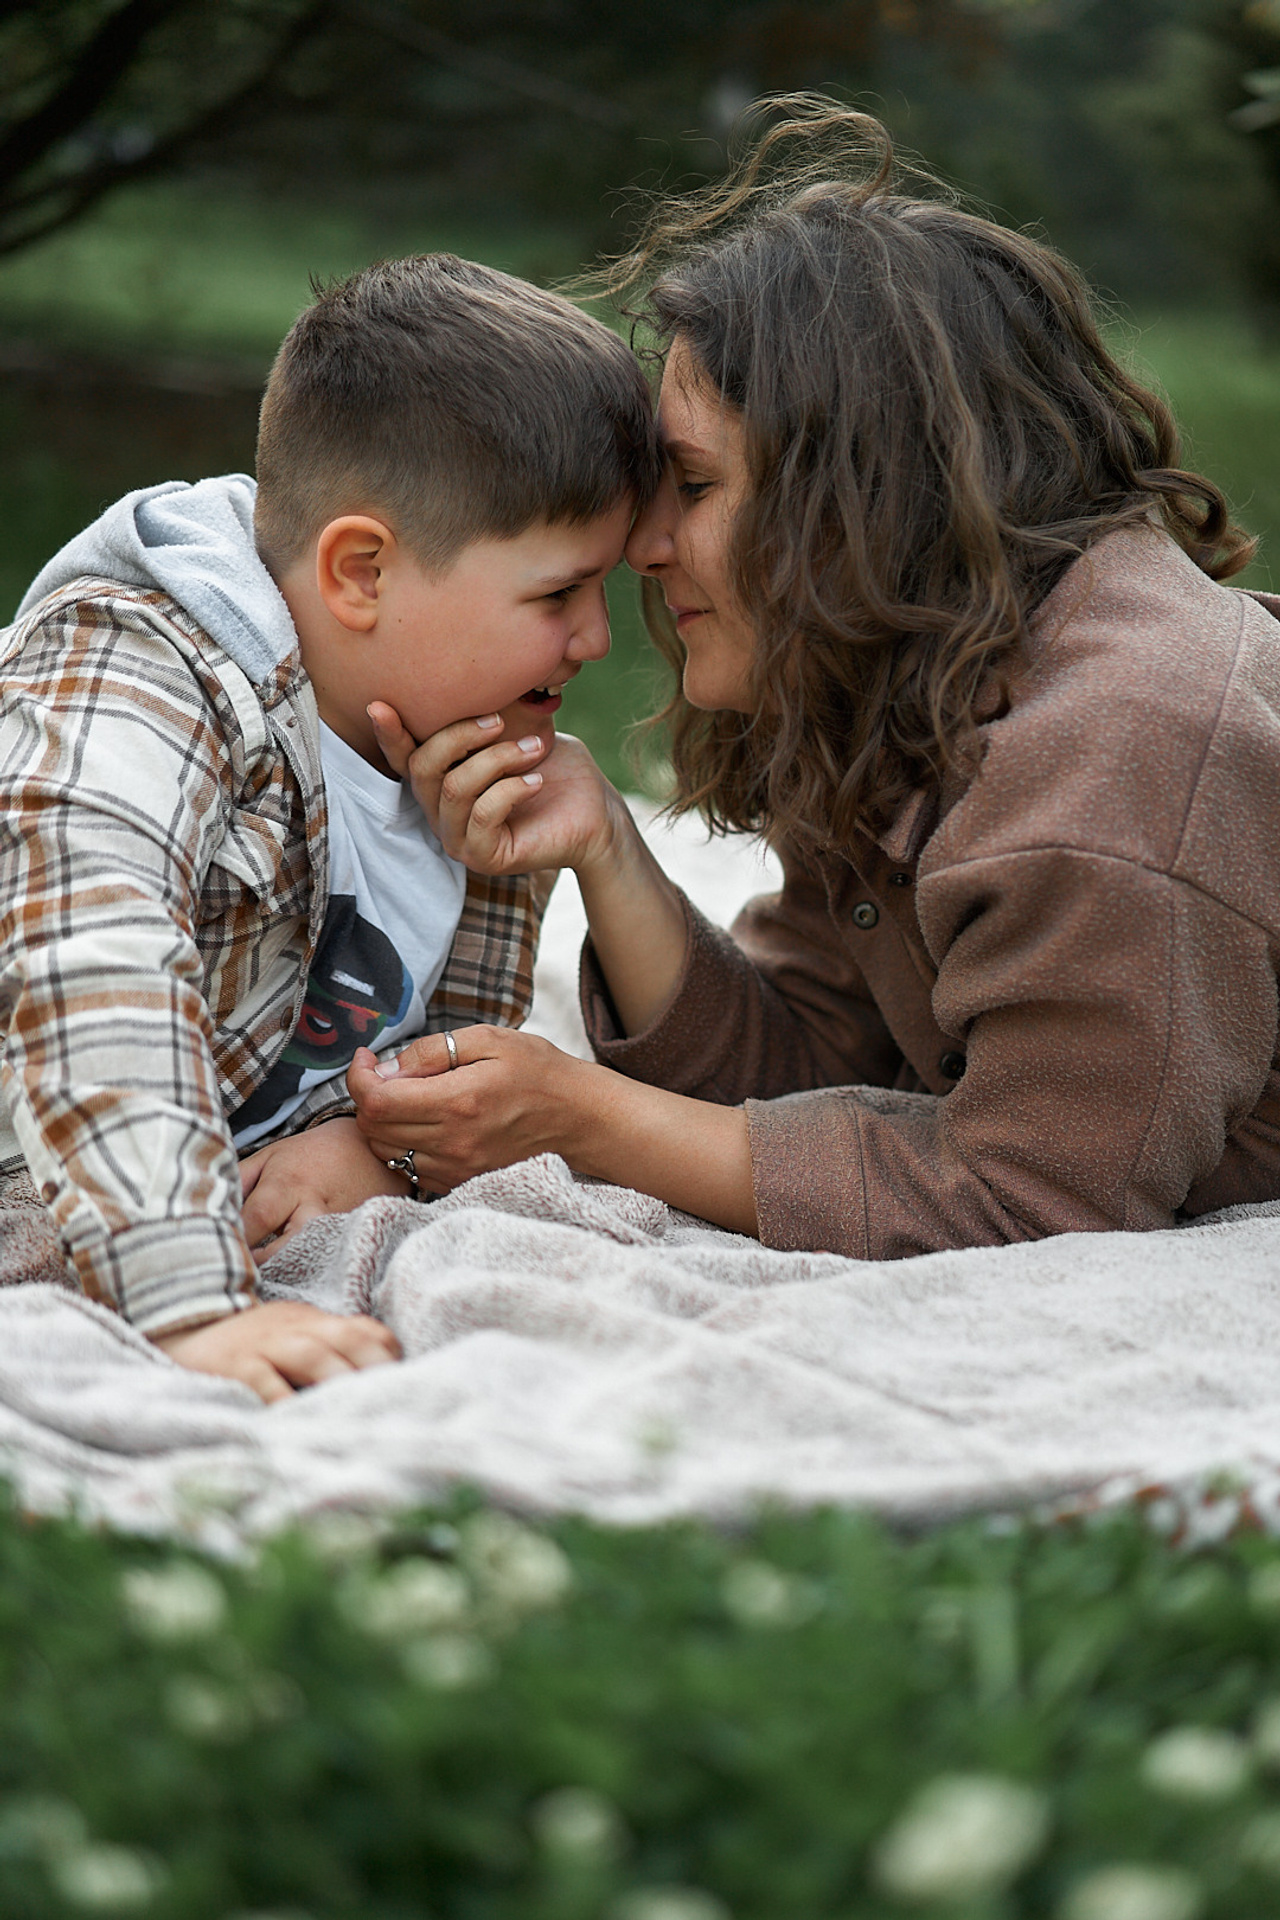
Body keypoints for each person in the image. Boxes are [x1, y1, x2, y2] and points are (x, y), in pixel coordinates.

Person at [348, 99, 1280, 1259]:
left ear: (853, 495)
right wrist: (605, 848)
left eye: (691, 486)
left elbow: (1035, 1201)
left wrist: (579, 1115)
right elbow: (813, 1073)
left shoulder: (1120, 746)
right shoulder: (920, 676)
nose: (643, 546)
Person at [0, 252, 658, 1399]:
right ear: (360, 571)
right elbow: (88, 956)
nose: (595, 637)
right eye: (557, 594)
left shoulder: (451, 738)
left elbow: (430, 1047)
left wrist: (383, 1145)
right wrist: (190, 1306)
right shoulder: (140, 673)